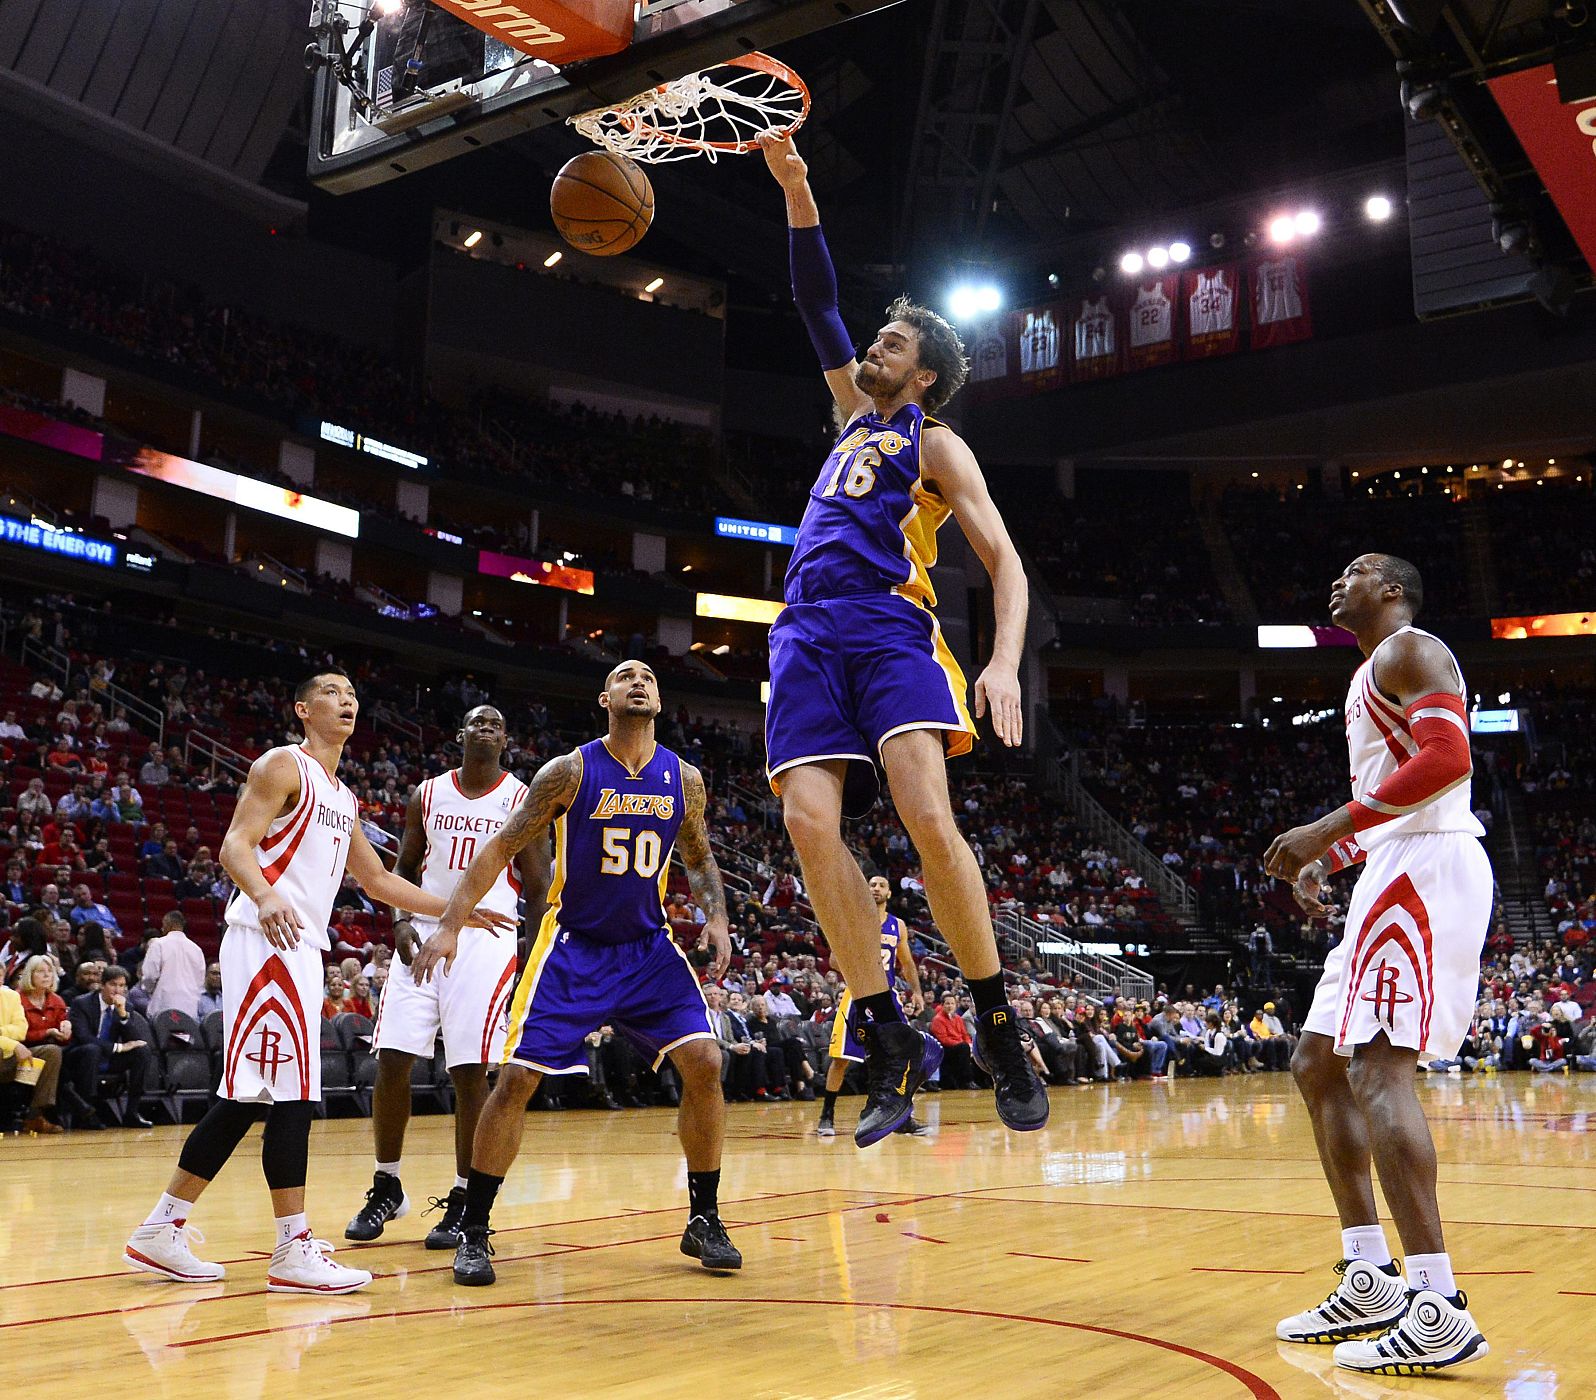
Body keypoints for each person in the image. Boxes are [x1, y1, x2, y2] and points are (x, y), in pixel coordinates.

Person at [757, 133, 1046, 1147]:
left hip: (887, 621)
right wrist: (797, 186)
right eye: (873, 340)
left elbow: (1005, 561)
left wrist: (1004, 662)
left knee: (926, 811)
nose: (871, 347)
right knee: (805, 823)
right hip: (804, 628)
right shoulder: (849, 418)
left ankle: (999, 1027)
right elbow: (815, 302)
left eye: (891, 343)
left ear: (924, 372)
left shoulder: (934, 440)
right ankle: (884, 1031)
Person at [121, 672, 511, 1295]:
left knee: (253, 1095)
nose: (348, 698)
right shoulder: (284, 765)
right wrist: (266, 893)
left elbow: (381, 884)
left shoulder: (342, 796)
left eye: (353, 692)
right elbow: (234, 846)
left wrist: (456, 909)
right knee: (292, 1096)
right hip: (265, 940)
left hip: (302, 950)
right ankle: (290, 1247)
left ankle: (163, 1229)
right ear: (303, 709)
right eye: (332, 691)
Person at [413, 660, 740, 1286]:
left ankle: (704, 1218)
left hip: (647, 948)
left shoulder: (685, 778)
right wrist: (451, 922)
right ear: (605, 698)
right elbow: (502, 847)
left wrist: (716, 917)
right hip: (574, 947)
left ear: (660, 699)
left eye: (647, 676)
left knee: (705, 1061)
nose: (638, 681)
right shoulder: (570, 770)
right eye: (625, 675)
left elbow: (697, 854)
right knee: (516, 1081)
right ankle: (474, 1229)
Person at [1266, 555, 1490, 1374]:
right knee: (1317, 1061)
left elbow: (1448, 761)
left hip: (1428, 869)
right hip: (1393, 865)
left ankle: (1437, 1307)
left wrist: (1325, 831)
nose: (1337, 580)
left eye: (1356, 571)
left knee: (1379, 1071)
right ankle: (1370, 1277)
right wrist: (1342, 854)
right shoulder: (1368, 674)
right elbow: (1399, 787)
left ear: (1392, 591)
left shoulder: (1408, 651)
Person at [346, 705, 550, 1252]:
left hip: (488, 936)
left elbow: (537, 882)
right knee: (391, 1056)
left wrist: (532, 949)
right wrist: (400, 922)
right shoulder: (427, 794)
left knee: (467, 1071)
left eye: (494, 723)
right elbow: (404, 869)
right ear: (459, 734)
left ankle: (465, 1196)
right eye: (475, 721)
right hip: (427, 928)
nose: (484, 727)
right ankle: (386, 1184)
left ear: (505, 739)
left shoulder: (521, 797)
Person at [817, 874, 932, 1138]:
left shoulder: (898, 926)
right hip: (858, 993)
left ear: (889, 893)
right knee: (842, 1059)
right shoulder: (853, 920)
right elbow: (835, 960)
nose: (876, 889)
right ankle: (827, 1115)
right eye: (872, 885)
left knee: (903, 1057)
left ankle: (902, 1117)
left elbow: (907, 963)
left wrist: (916, 991)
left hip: (889, 996)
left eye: (881, 885)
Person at [66, 965, 154, 1124]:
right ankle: (88, 1112)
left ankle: (132, 1112)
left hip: (108, 1057)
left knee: (142, 1051)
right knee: (92, 1050)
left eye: (122, 986)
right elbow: (84, 1037)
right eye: (113, 984)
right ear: (102, 985)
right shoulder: (81, 1003)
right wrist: (118, 1047)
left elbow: (135, 1040)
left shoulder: (126, 1006)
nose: (117, 990)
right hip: (80, 1056)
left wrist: (122, 1015)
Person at [1, 965, 64, 1134]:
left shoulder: (11, 997)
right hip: (8, 1051)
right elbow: (16, 1037)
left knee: (50, 1051)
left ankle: (35, 1115)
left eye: (0, 976)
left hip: (12, 1057)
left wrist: (5, 1036)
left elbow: (21, 1030)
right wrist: (12, 1043)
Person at [140, 911, 206, 1022]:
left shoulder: (158, 944)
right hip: (189, 1008)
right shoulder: (196, 949)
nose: (161, 928)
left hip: (164, 1005)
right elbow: (200, 982)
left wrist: (149, 990)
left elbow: (150, 976)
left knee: (162, 1038)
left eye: (163, 924)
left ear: (168, 924)